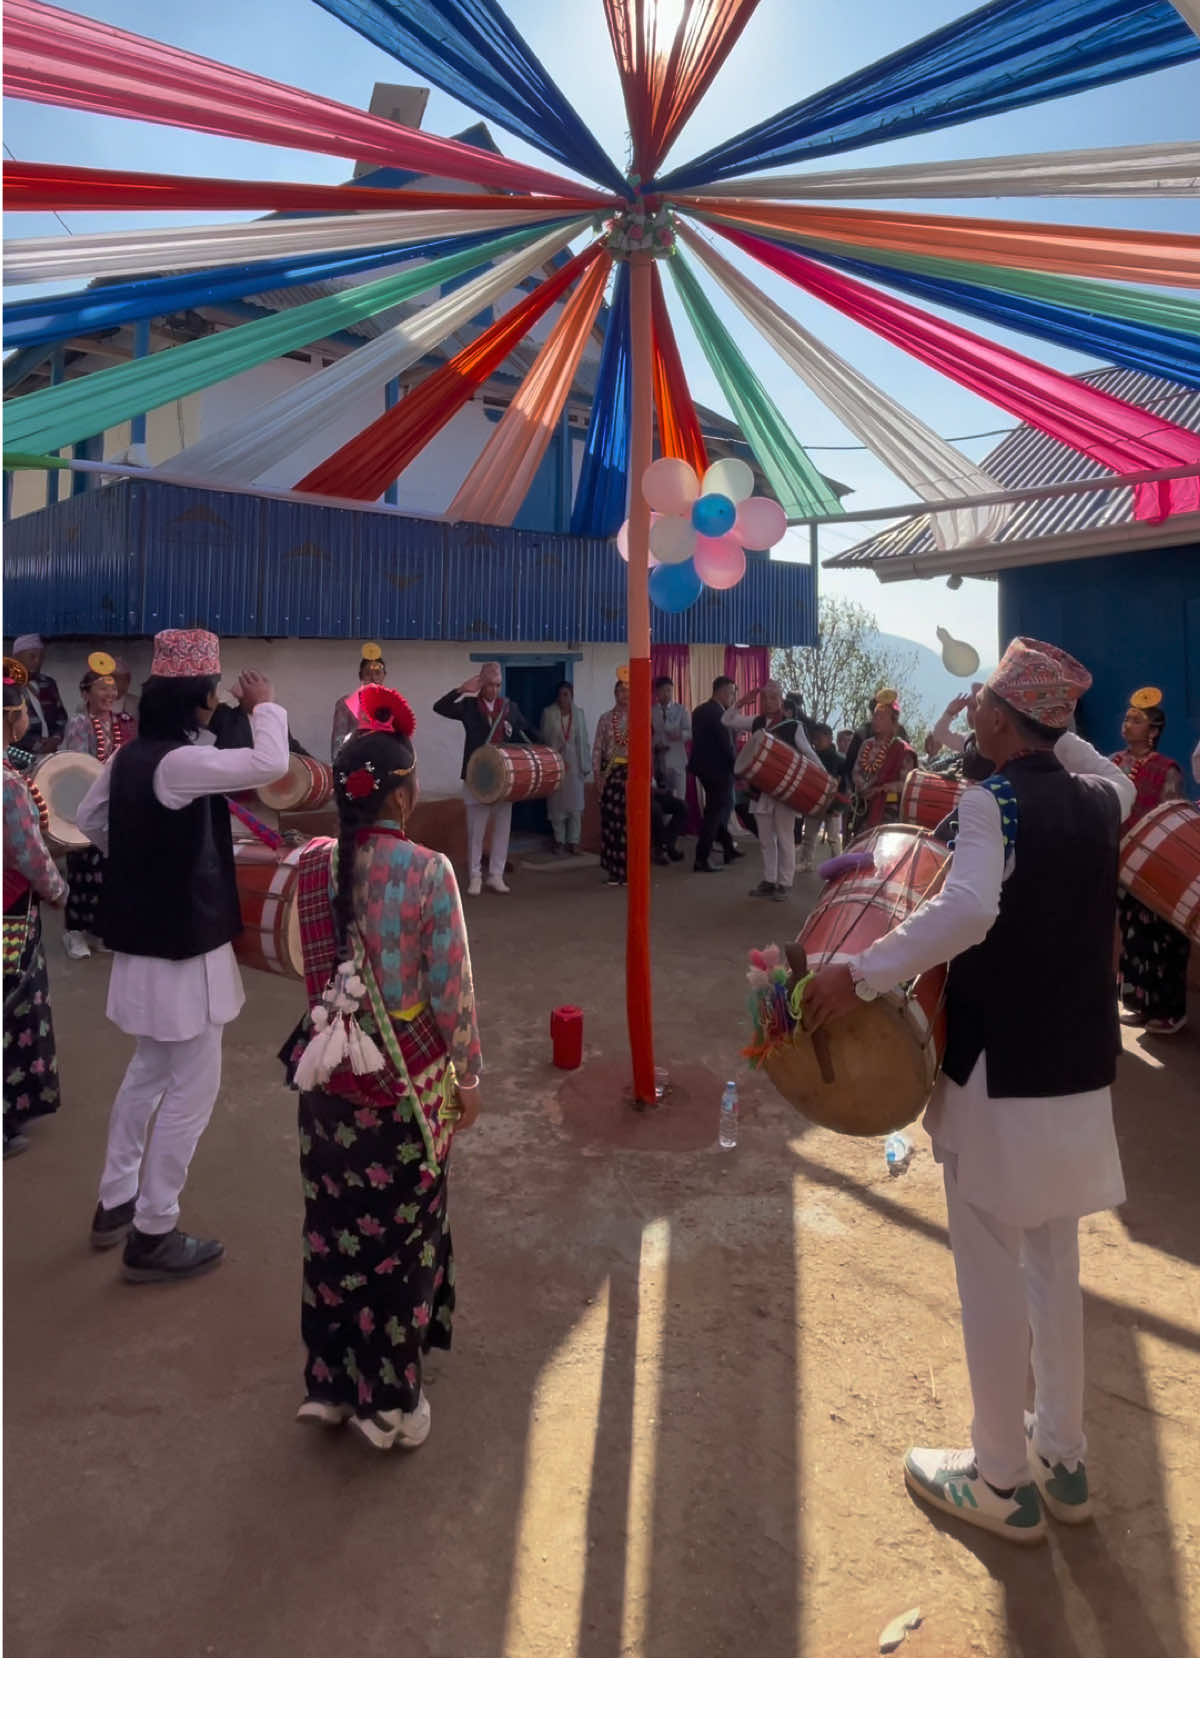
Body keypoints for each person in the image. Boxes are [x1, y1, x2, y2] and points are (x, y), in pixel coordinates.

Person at [805, 638, 1135, 1545]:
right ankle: (1060, 1456)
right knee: (1054, 1264)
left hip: (1001, 1074)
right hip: (1078, 1068)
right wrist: (1056, 721)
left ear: (993, 718)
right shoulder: (1105, 799)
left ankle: (999, 1476)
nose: (975, 713)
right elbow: (1103, 768)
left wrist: (860, 973)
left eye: (985, 700)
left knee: (989, 1267)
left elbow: (968, 910)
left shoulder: (992, 803)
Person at [279, 685, 481, 1452]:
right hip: (401, 1089)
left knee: (332, 1231)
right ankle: (388, 1403)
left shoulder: (312, 865)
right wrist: (468, 1078)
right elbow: (451, 993)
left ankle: (330, 1384)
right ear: (403, 794)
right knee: (401, 1243)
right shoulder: (427, 872)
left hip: (326, 1082)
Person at [76, 630, 289, 1282]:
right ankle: (154, 1229)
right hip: (181, 954)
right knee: (193, 1087)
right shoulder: (176, 764)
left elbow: (88, 821)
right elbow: (269, 765)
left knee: (147, 1073)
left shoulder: (131, 758)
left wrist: (140, 861)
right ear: (193, 697)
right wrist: (264, 707)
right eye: (211, 691)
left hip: (146, 948)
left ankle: (115, 1202)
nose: (215, 699)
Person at [3, 668, 67, 1160]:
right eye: (22, 710)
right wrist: (58, 889)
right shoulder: (8, 785)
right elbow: (28, 853)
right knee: (12, 1008)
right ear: (13, 719)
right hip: (10, 912)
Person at [1112, 688, 1189, 1035]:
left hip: (1155, 867)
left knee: (1162, 940)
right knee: (1133, 937)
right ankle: (1141, 1006)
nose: (1127, 724)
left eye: (1136, 720)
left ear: (1154, 731)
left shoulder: (1167, 770)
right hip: (1122, 865)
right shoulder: (1112, 764)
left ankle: (1171, 1011)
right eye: (1127, 718)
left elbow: (1171, 818)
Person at [433, 661, 532, 897]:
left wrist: (549, 747)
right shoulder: (468, 706)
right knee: (476, 830)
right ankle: (475, 876)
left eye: (498, 685)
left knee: (502, 828)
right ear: (481, 685)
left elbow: (527, 731)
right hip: (476, 776)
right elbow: (440, 707)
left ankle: (496, 876)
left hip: (504, 777)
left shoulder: (509, 707)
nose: (494, 690)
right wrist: (460, 690)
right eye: (489, 685)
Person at [60, 659, 137, 961]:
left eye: (112, 687)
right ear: (85, 693)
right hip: (85, 802)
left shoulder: (123, 721)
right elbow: (77, 764)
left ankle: (98, 929)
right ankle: (74, 932)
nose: (109, 693)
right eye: (101, 687)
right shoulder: (79, 723)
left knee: (107, 872)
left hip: (114, 805)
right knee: (81, 870)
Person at [723, 680, 822, 901]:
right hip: (761, 791)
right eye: (766, 698)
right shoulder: (757, 722)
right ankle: (769, 880)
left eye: (775, 697)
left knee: (786, 838)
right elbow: (727, 720)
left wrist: (823, 776)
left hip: (785, 791)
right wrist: (740, 702)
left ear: (781, 700)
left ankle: (785, 883)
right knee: (766, 840)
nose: (770, 702)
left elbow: (808, 752)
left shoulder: (792, 725)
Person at [688, 676, 743, 874]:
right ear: (720, 692)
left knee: (717, 810)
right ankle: (701, 858)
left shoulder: (700, 710)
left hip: (703, 769)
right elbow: (726, 745)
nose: (732, 697)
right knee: (714, 814)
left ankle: (727, 847)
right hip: (718, 770)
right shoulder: (719, 714)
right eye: (730, 692)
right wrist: (737, 769)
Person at [849, 694, 917, 839]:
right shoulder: (866, 744)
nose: (875, 721)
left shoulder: (902, 750)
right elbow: (856, 772)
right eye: (874, 716)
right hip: (864, 806)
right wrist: (865, 789)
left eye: (881, 718)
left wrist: (882, 789)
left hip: (890, 810)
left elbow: (907, 783)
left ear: (893, 723)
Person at [539, 681, 591, 855]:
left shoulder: (579, 714)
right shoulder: (549, 713)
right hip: (556, 762)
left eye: (567, 694)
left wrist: (586, 765)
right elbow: (544, 738)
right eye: (561, 694)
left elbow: (584, 740)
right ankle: (559, 841)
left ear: (572, 695)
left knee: (575, 806)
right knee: (557, 805)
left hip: (575, 763)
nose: (564, 698)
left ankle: (574, 842)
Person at [592, 676, 632, 887]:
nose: (625, 695)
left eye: (628, 691)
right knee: (610, 823)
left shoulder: (640, 718)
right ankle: (613, 872)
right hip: (610, 774)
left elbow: (646, 750)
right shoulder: (606, 719)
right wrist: (598, 778)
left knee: (628, 824)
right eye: (621, 691)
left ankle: (628, 871)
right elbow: (598, 748)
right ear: (615, 694)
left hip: (631, 776)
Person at [799, 723, 847, 872]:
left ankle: (838, 867)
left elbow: (845, 786)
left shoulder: (840, 760)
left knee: (833, 839)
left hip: (833, 805)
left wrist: (839, 808)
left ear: (829, 738)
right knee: (809, 836)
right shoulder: (811, 757)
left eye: (820, 738)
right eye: (814, 738)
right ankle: (806, 862)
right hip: (814, 802)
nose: (816, 741)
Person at [10, 634, 66, 758]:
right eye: (32, 657)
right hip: (18, 758)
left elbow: (61, 717)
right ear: (16, 658)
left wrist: (55, 739)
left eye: (41, 657)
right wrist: (37, 745)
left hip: (50, 754)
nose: (37, 662)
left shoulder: (48, 683)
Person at [331, 644, 388, 760]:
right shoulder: (345, 704)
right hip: (355, 762)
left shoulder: (393, 704)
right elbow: (339, 740)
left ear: (384, 676)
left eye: (377, 673)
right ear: (360, 676)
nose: (373, 678)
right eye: (368, 673)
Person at [652, 677, 692, 800]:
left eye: (669, 690)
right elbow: (648, 734)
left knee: (680, 798)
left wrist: (680, 735)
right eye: (663, 691)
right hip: (659, 759)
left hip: (678, 758)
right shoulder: (651, 711)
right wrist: (654, 746)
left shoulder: (681, 709)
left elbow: (690, 732)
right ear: (657, 692)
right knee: (663, 798)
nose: (667, 694)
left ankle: (680, 819)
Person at [651, 764, 687, 865]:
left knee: (682, 806)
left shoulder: (655, 755)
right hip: (644, 794)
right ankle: (660, 848)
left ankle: (668, 843)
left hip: (656, 792)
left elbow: (658, 776)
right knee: (655, 810)